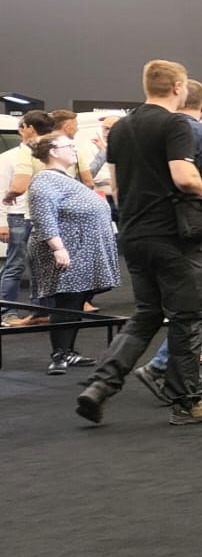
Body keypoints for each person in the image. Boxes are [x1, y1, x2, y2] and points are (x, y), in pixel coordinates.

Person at [73, 60, 202, 426]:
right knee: (188, 318)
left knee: (146, 314)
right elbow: (183, 177)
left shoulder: (121, 129)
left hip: (134, 233)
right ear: (178, 87)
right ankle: (189, 401)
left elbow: (115, 189)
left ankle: (100, 386)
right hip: (174, 236)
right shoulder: (175, 123)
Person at [135, 81, 202, 402]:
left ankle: (180, 378)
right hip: (199, 230)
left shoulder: (152, 131)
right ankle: (162, 368)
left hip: (160, 231)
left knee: (177, 308)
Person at [24, 135, 120, 375]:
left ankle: (67, 351)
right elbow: (43, 216)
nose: (74, 150)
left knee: (74, 301)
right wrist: (58, 248)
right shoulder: (45, 180)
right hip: (67, 250)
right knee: (67, 300)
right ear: (54, 151)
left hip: (80, 250)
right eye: (69, 146)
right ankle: (60, 354)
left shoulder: (62, 178)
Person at [1, 108, 56, 327]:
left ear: (27, 129)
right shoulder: (10, 157)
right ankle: (7, 314)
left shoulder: (45, 155)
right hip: (18, 217)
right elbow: (3, 191)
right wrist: (3, 221)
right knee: (14, 266)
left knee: (41, 266)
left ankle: (39, 310)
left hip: (39, 216)